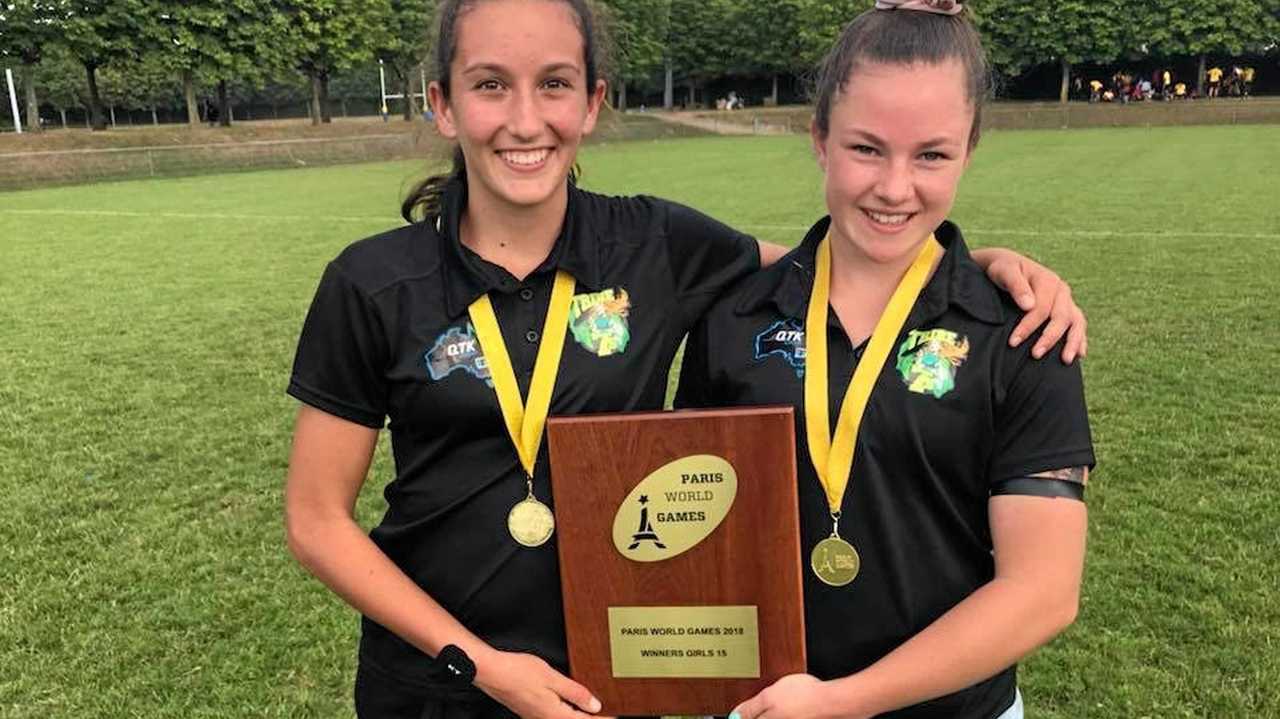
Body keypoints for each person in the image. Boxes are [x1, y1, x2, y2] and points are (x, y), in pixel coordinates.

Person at [283, 1, 1087, 717]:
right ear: (442, 104)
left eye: (555, 83)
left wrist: (979, 269)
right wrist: (482, 666)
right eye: (491, 84)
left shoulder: (657, 247)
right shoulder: (373, 282)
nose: (525, 120)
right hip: (435, 686)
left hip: (600, 685)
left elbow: (852, 256)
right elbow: (317, 518)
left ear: (592, 102)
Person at [676, 3, 1093, 718]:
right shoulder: (733, 316)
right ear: (819, 139)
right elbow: (694, 519)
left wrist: (844, 700)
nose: (895, 189)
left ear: (969, 149)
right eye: (867, 149)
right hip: (764, 706)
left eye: (931, 155)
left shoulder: (1024, 332)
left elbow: (1043, 592)